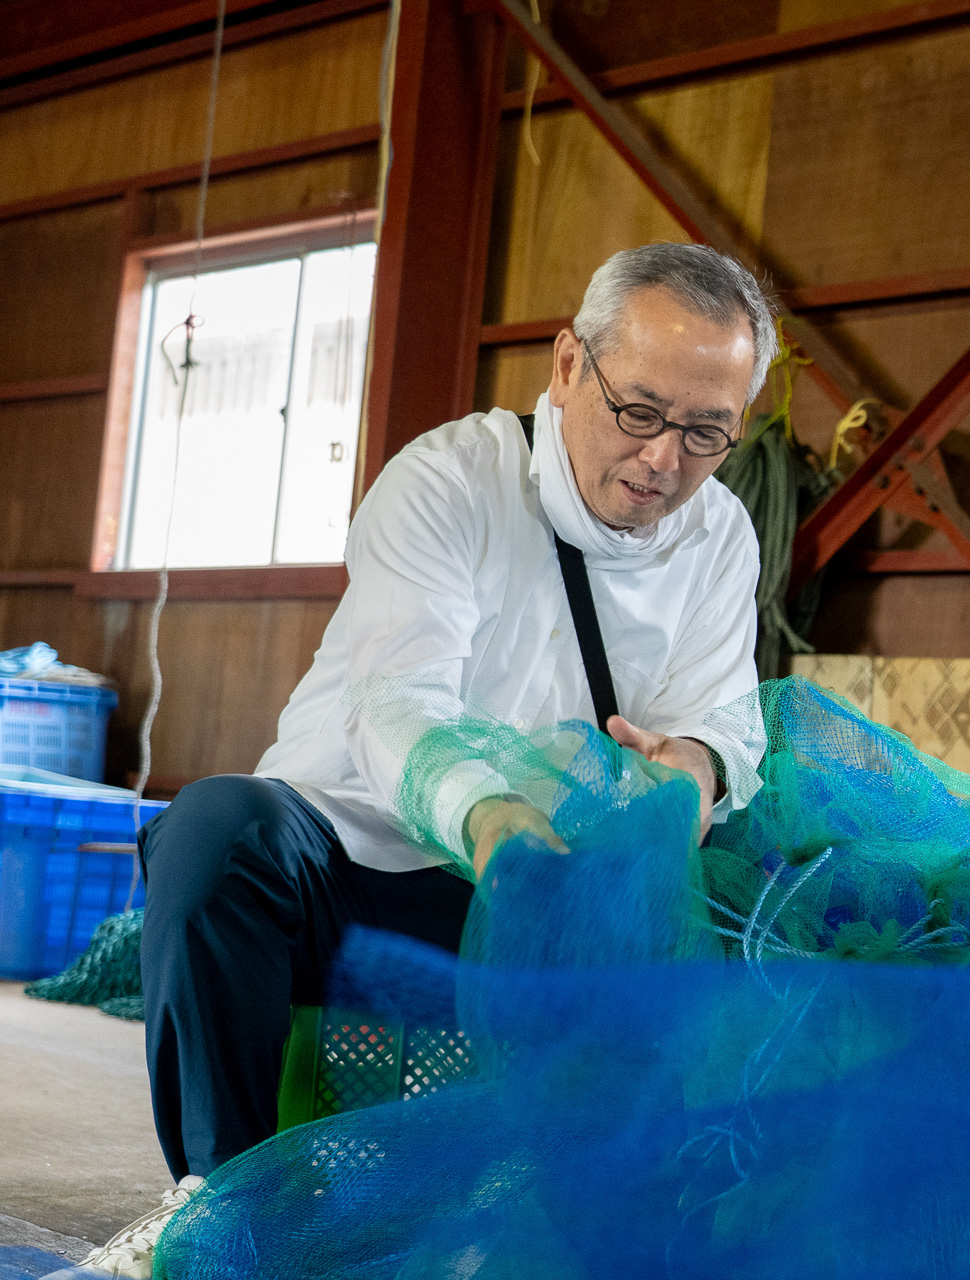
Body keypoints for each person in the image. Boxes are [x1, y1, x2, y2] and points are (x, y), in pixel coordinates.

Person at [61, 243, 776, 1279]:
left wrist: (695, 771)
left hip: (550, 908)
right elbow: (393, 705)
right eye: (641, 412)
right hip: (358, 870)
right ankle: (224, 1210)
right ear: (569, 364)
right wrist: (488, 819)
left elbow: (726, 720)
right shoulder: (448, 481)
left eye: (706, 431)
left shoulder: (720, 537)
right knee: (216, 831)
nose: (666, 459)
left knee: (706, 962)